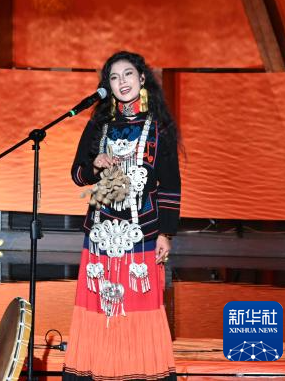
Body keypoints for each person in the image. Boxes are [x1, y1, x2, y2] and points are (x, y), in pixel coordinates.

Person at [63, 51, 181, 381]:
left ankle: (138, 373)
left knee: (140, 304)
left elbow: (171, 184)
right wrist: (94, 165)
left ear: (142, 79)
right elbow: (77, 175)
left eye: (128, 74)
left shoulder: (159, 128)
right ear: (108, 86)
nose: (122, 82)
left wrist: (166, 233)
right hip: (100, 233)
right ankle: (99, 370)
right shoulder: (98, 125)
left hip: (143, 232)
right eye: (114, 78)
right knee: (99, 305)